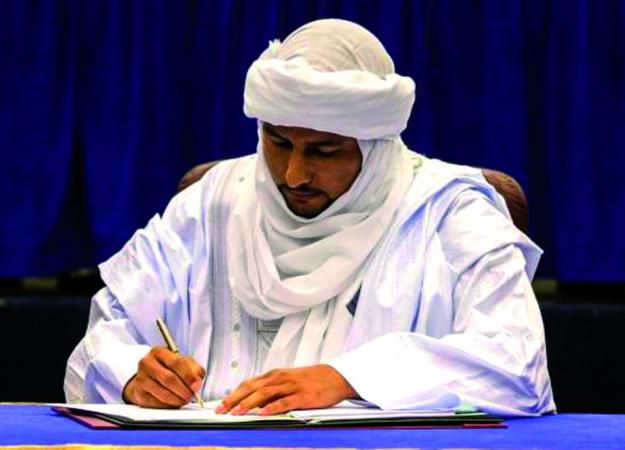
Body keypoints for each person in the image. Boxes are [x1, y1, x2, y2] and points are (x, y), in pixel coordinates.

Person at [65, 19, 555, 416]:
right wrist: (133, 372)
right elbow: (105, 334)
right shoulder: (211, 203)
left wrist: (347, 379)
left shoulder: (450, 212)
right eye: (278, 143)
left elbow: (518, 365)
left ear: (375, 147)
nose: (294, 174)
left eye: (324, 151)